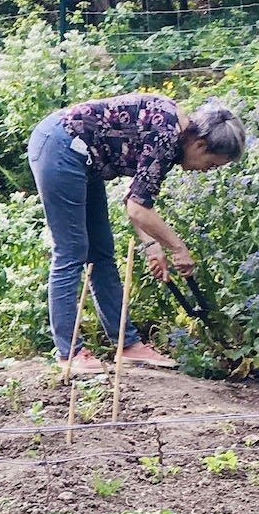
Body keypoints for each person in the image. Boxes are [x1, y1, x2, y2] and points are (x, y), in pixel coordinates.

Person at [27, 94, 246, 375]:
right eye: (212, 164)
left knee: (101, 253)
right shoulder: (166, 138)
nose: (206, 171)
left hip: (84, 157)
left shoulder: (175, 133)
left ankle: (127, 346)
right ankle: (69, 352)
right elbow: (137, 208)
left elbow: (137, 198)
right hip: (61, 147)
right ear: (200, 144)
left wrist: (152, 245)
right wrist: (178, 248)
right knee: (71, 251)